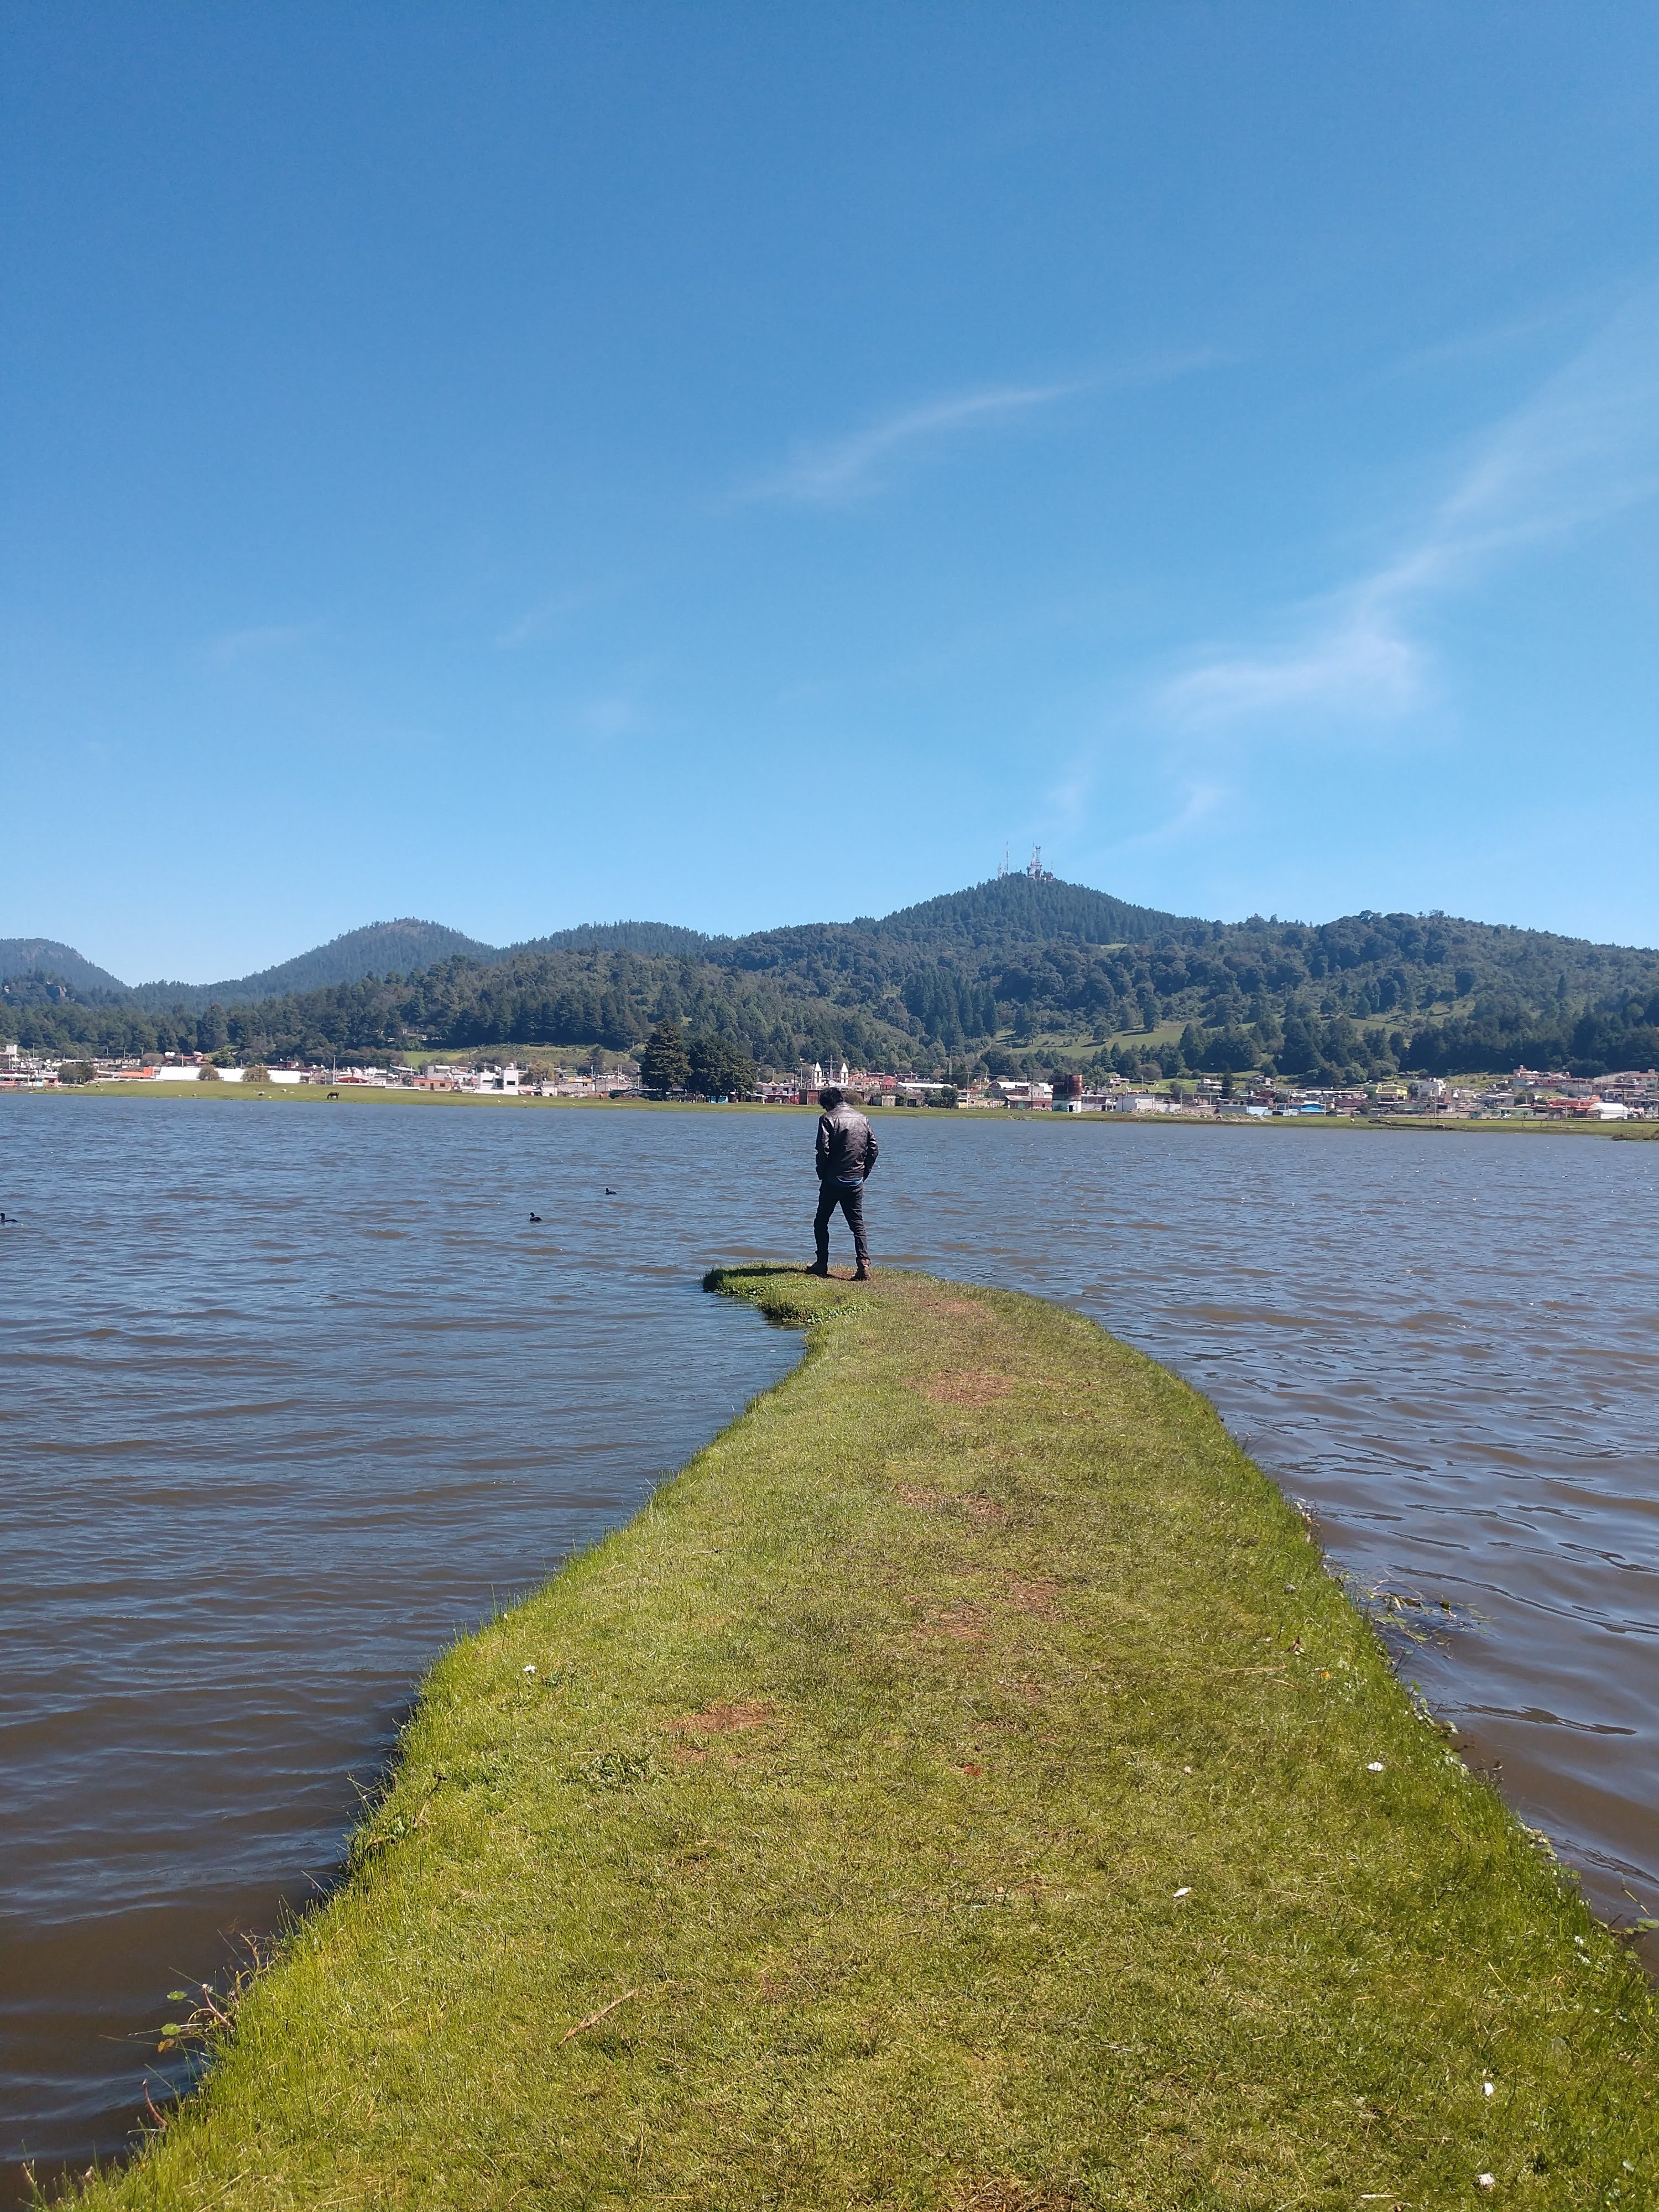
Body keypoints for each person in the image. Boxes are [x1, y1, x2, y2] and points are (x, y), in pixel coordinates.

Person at [810, 1085, 878, 1280]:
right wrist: (865, 1172)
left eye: (824, 1106)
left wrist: (821, 1173)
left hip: (833, 1180)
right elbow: (874, 1149)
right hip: (856, 1179)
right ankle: (863, 1265)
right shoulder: (862, 1118)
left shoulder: (828, 1119)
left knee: (821, 1221)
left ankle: (821, 1263)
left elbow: (823, 1150)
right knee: (857, 1224)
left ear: (828, 1104)